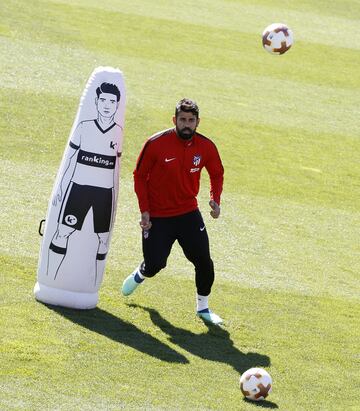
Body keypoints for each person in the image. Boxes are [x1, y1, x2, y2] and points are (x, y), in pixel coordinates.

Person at [121, 98, 224, 325]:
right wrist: (144, 211)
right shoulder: (156, 143)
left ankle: (203, 308)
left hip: (188, 213)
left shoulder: (206, 146)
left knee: (204, 262)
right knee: (155, 264)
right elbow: (139, 176)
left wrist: (215, 200)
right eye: (182, 120)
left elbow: (217, 173)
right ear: (174, 120)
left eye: (191, 120)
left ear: (198, 122)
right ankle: (141, 273)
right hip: (158, 216)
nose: (186, 124)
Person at [48, 82, 122, 283]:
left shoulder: (118, 132)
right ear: (97, 102)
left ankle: (92, 284)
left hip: (104, 195)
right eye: (103, 100)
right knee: (62, 233)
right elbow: (69, 160)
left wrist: (115, 201)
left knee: (103, 240)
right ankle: (50, 278)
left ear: (117, 105)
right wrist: (61, 188)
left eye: (112, 101)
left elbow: (116, 169)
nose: (107, 105)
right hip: (78, 189)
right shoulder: (84, 127)